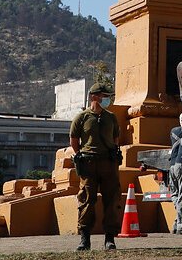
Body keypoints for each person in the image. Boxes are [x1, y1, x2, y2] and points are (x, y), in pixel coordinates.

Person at [69, 82, 122, 251]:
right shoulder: (81, 117)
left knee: (112, 200)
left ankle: (110, 239)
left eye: (108, 97)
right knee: (86, 200)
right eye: (104, 96)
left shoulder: (111, 117)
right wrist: (84, 155)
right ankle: (85, 239)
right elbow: (74, 142)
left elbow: (115, 140)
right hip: (88, 164)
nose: (107, 99)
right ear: (94, 97)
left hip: (108, 163)